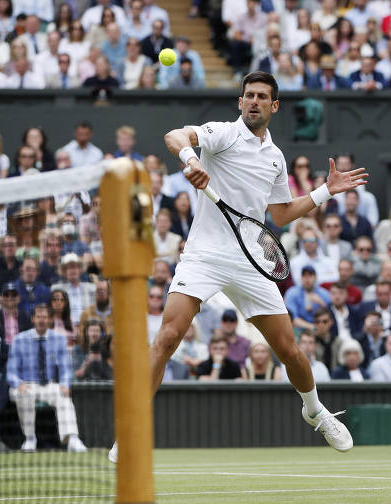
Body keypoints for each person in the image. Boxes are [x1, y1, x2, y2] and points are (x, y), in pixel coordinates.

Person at [110, 71, 366, 464]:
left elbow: (279, 215)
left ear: (274, 106)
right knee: (167, 337)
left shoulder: (276, 159)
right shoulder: (223, 133)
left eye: (262, 97)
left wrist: (324, 191)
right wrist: (191, 160)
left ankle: (315, 410)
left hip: (252, 260)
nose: (253, 101)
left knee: (291, 352)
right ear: (240, 101)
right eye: (248, 95)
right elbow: (175, 136)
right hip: (204, 256)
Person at [6, 304, 87, 452]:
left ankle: (72, 439)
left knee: (63, 395)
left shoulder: (59, 339)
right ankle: (30, 439)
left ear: (50, 320)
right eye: (38, 317)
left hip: (48, 385)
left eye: (45, 317)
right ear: (33, 319)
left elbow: (66, 369)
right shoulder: (19, 340)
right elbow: (11, 371)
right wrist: (19, 383)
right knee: (23, 394)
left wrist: (65, 384)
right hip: (26, 385)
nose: (41, 320)